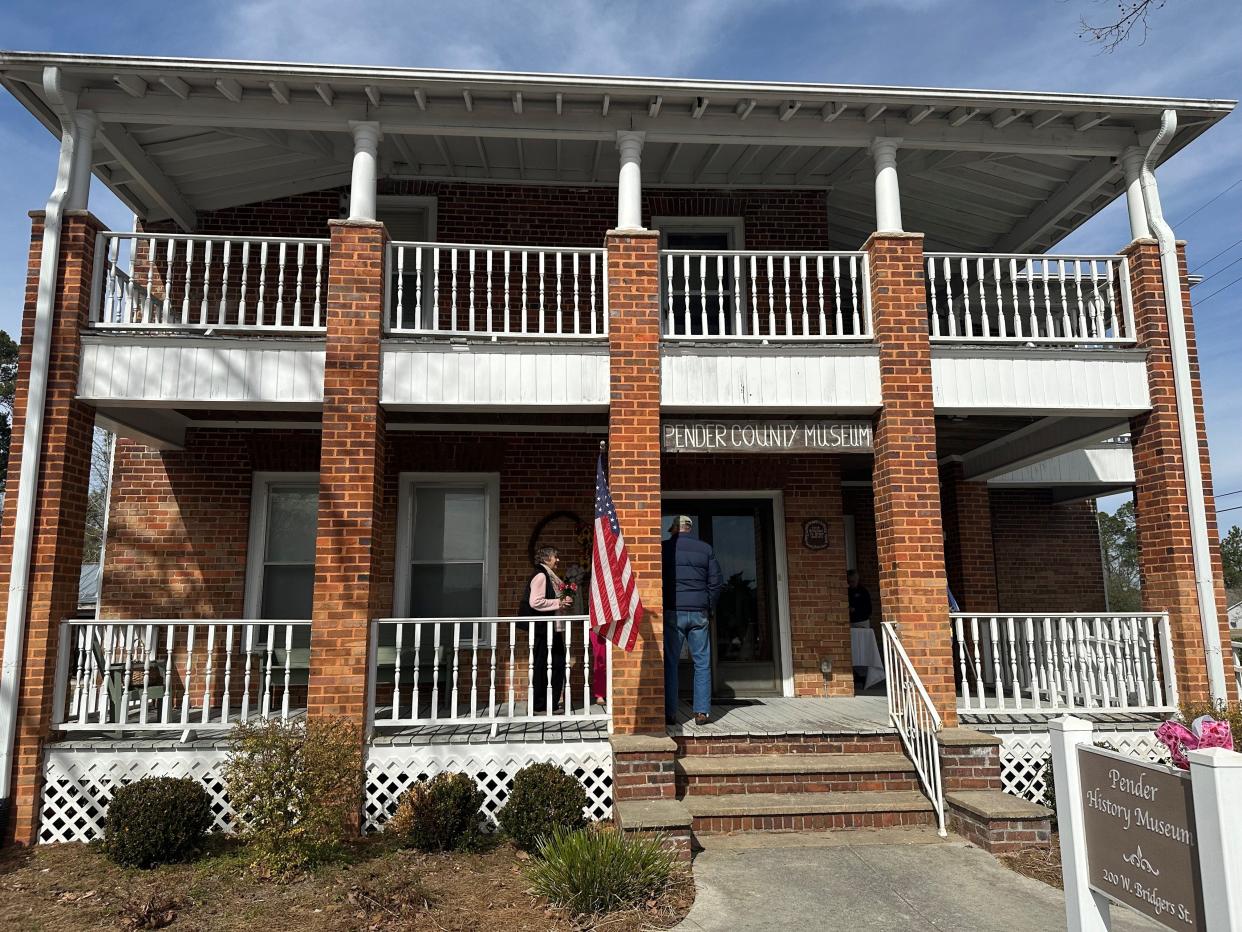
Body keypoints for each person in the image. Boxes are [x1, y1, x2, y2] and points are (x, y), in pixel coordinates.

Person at [662, 516, 723, 726]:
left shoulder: (664, 548)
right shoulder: (705, 549)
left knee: (670, 663)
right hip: (699, 612)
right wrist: (707, 604)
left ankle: (670, 713)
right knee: (702, 663)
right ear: (690, 528)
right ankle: (702, 712)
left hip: (673, 611)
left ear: (673, 529)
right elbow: (716, 582)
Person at [521, 545, 573, 714]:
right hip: (544, 630)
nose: (557, 560)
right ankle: (540, 705)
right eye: (554, 557)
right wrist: (559, 602)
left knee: (555, 665)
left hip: (551, 629)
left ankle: (549, 703)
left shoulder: (548, 576)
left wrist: (563, 600)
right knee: (546, 665)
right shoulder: (541, 576)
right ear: (545, 559)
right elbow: (535, 602)